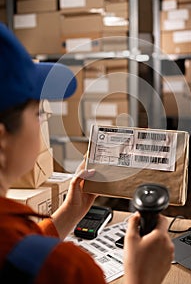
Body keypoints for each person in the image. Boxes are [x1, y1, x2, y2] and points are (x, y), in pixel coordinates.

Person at [0, 22, 174, 284]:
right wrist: (142, 278)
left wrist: (71, 211)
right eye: (37, 113)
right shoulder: (70, 269)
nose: (43, 121)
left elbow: (18, 246)